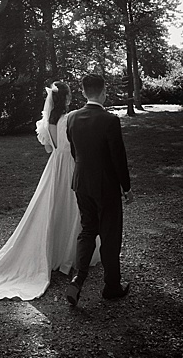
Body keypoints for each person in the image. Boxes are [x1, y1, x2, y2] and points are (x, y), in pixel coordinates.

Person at [0, 81, 100, 300]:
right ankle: (71, 257)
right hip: (70, 166)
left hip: (54, 167)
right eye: (69, 95)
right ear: (66, 98)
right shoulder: (70, 119)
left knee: (53, 207)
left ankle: (57, 254)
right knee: (74, 208)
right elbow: (77, 146)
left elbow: (50, 148)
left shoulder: (47, 121)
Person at [65, 73, 132, 306]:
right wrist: (127, 187)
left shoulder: (71, 118)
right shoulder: (110, 120)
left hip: (81, 182)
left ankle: (77, 279)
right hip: (106, 185)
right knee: (110, 235)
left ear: (83, 92)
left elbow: (75, 152)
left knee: (87, 230)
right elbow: (118, 158)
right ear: (104, 91)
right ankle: (111, 286)